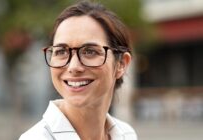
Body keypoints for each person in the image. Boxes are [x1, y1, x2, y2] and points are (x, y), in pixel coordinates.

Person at [19, 1, 137, 140]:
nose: (73, 67)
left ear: (121, 64)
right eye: (61, 51)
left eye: (90, 51)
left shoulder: (127, 134)